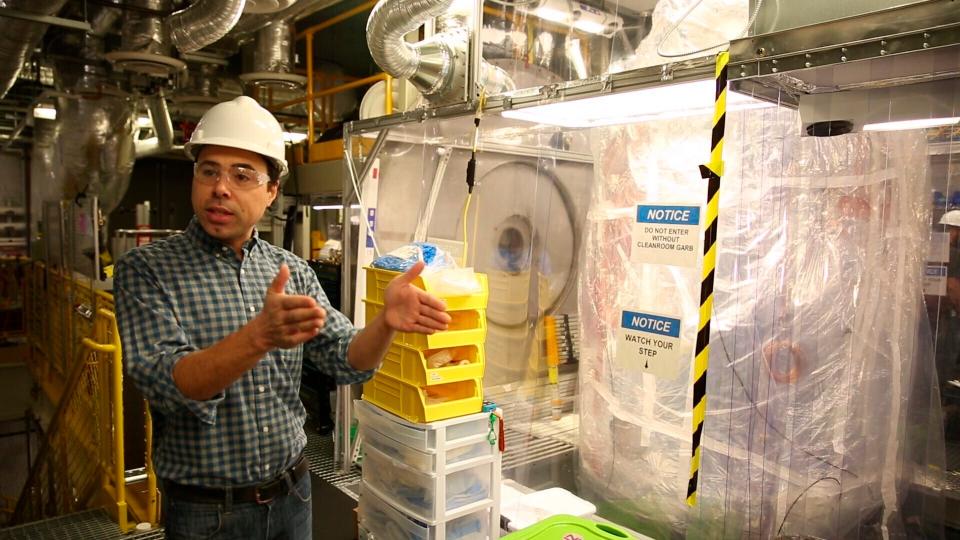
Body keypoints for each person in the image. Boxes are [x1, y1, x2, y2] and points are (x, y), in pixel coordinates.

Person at [114, 96, 451, 540]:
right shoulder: (147, 270)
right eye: (209, 171)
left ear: (272, 191)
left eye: (242, 176)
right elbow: (168, 383)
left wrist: (385, 321)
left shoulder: (291, 270)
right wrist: (258, 336)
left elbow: (348, 359)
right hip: (207, 515)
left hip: (293, 498)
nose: (221, 187)